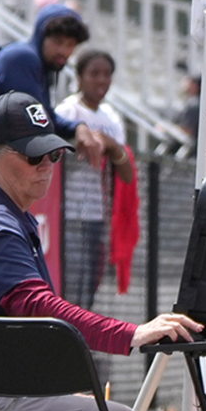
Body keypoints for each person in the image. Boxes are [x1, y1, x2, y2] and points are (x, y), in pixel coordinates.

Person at [0, 91, 202, 411]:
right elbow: (37, 310)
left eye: (54, 153)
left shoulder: (5, 213)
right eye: (32, 154)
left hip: (2, 388)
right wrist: (131, 333)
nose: (46, 164)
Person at [52, 50, 133, 311]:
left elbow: (128, 174)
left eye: (107, 74)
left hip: (97, 215)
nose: (101, 80)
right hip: (68, 213)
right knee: (71, 283)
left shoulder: (112, 117)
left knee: (90, 284)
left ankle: (82, 344)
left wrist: (111, 146)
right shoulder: (68, 110)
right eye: (94, 73)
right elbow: (52, 158)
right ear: (79, 77)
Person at [0, 4, 104, 165]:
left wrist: (78, 127)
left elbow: (47, 118)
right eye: (58, 42)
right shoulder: (23, 58)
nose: (63, 51)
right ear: (41, 37)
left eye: (70, 44)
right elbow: (36, 123)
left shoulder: (40, 67)